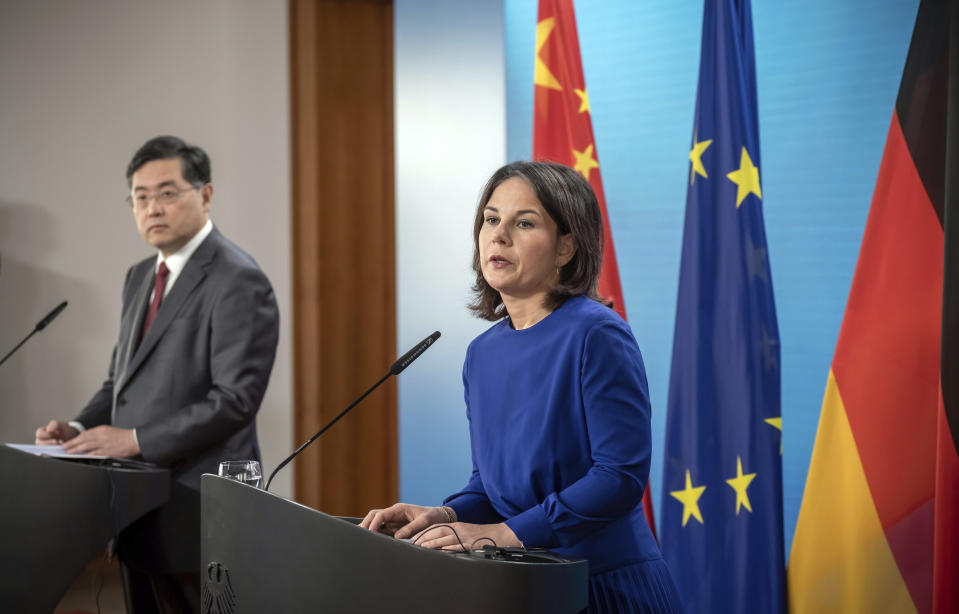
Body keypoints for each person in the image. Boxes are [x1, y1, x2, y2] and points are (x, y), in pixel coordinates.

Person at [361, 161, 683, 613]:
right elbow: (492, 488)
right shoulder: (483, 353)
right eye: (491, 219)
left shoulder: (597, 334)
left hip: (602, 587)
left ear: (566, 247)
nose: (499, 235)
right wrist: (447, 516)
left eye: (524, 222)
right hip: (524, 587)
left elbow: (618, 478)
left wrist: (504, 534)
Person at [35, 135, 280, 614]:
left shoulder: (238, 278)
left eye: (167, 193)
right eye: (140, 197)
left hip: (199, 511)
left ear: (205, 194)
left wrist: (133, 439)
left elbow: (234, 400)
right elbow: (119, 381)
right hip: (138, 509)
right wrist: (80, 430)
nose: (152, 208)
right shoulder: (140, 276)